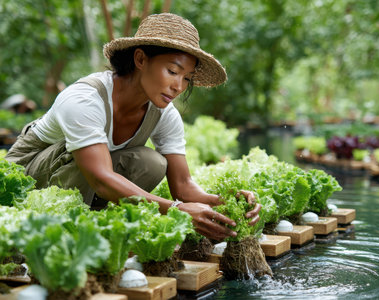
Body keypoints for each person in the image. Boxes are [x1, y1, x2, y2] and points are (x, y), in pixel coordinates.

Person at [5, 13, 260, 241]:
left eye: (186, 79)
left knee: (152, 162)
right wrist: (175, 210)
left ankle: (92, 224)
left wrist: (224, 202)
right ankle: (59, 230)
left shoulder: (163, 113)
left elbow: (182, 185)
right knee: (87, 156)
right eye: (172, 71)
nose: (179, 87)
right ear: (140, 59)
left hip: (80, 179)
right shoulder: (85, 98)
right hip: (27, 178)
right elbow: (101, 179)